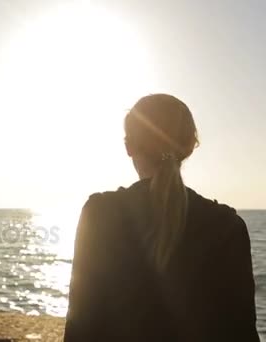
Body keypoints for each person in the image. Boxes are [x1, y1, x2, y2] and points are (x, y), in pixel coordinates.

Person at [63, 94, 259, 341]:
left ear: (129, 146)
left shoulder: (100, 213)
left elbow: (81, 323)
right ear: (189, 147)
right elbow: (241, 332)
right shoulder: (227, 226)